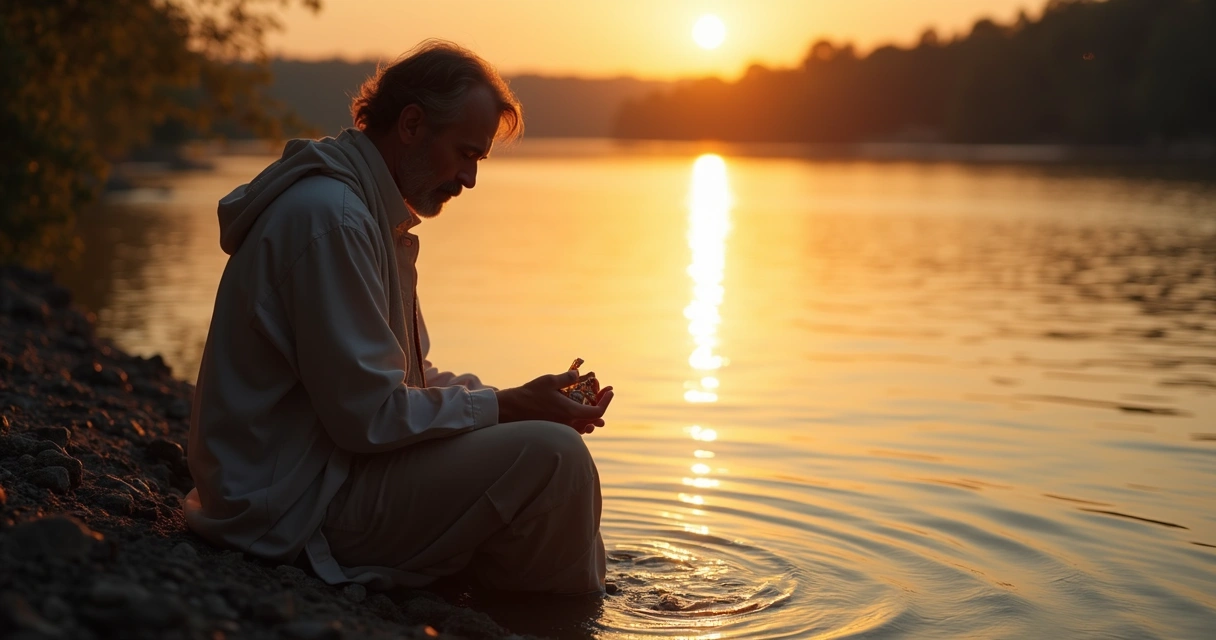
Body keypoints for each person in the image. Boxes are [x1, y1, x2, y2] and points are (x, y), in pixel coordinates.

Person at [183, 40, 615, 595]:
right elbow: (370, 417)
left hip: (320, 478)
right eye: (466, 153)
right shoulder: (333, 220)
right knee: (556, 461)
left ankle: (516, 596)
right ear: (411, 124)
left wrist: (522, 403)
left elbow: (403, 381)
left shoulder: (363, 213)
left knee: (539, 444)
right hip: (292, 507)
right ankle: (562, 623)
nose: (469, 179)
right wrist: (507, 408)